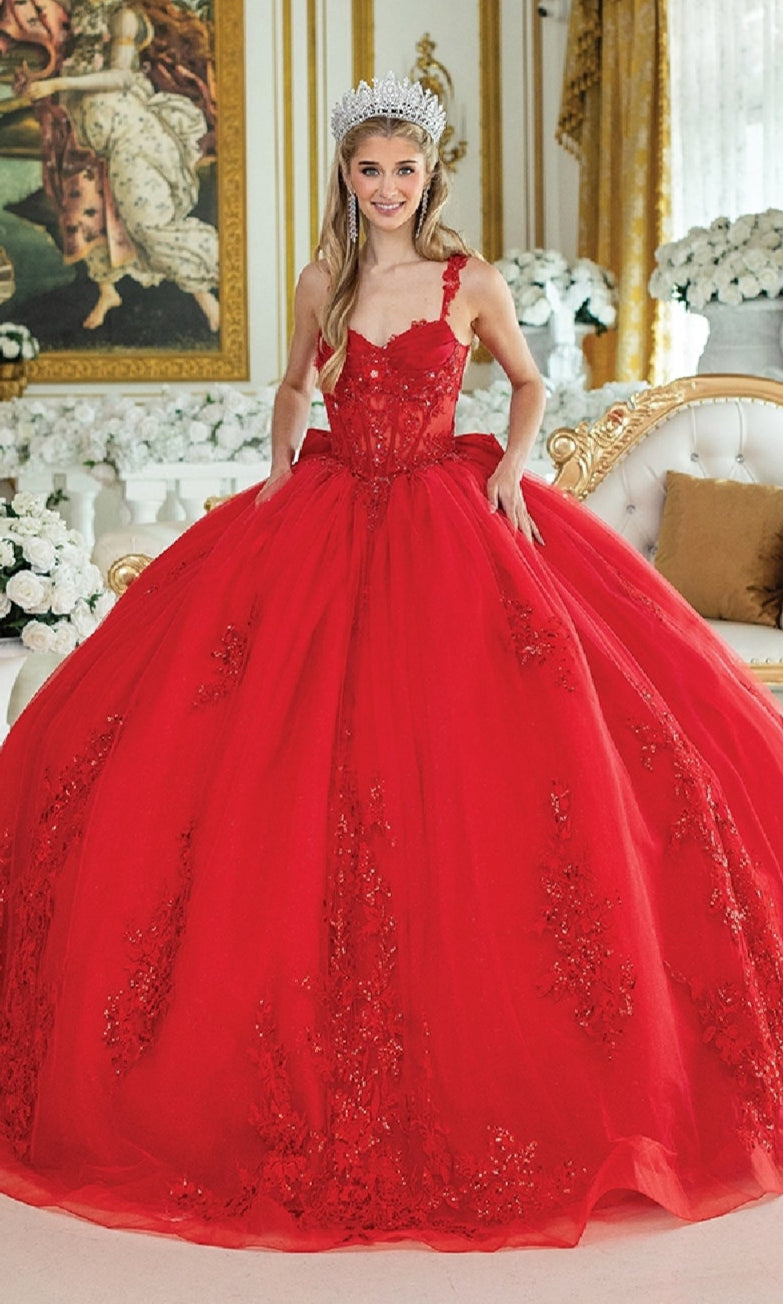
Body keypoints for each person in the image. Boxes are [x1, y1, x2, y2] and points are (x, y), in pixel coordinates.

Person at [1, 72, 783, 1254]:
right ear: (347, 179)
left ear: (430, 176)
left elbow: (525, 382)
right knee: (258, 752)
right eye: (367, 171)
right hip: (325, 509)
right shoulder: (326, 275)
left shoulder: (469, 281)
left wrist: (515, 468)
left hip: (445, 513)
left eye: (402, 171)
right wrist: (279, 459)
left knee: (480, 757)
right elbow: (292, 380)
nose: (384, 189)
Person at [13, 0, 219, 333]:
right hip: (89, 137)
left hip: (128, 133)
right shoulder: (82, 18)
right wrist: (38, 81)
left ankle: (209, 296)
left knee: (147, 223)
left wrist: (56, 86)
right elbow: (76, 72)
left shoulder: (124, 17)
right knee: (85, 210)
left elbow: (121, 77)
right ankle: (108, 291)